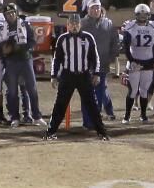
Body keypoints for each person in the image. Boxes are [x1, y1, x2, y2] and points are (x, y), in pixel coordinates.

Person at [45, 10, 110, 139]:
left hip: (83, 75)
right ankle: (50, 132)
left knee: (92, 105)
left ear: (80, 25)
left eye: (76, 23)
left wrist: (96, 73)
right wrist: (53, 76)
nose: (74, 26)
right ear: (67, 25)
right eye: (71, 24)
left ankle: (102, 133)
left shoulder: (88, 37)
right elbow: (56, 59)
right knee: (60, 105)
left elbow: (95, 57)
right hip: (67, 75)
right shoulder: (62, 39)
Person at [118, 3, 154, 123]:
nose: (142, 17)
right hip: (134, 61)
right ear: (136, 15)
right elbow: (126, 47)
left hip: (148, 62)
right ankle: (127, 116)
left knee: (144, 90)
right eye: (140, 15)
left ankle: (143, 115)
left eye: (144, 15)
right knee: (132, 91)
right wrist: (131, 61)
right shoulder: (130, 26)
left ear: (148, 15)